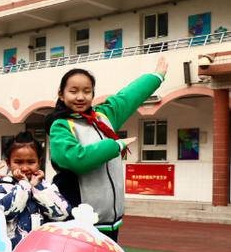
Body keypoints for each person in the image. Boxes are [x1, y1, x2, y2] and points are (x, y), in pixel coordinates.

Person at [45, 56, 167, 241]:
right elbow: (75, 159)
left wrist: (156, 77)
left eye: (87, 91)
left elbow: (127, 98)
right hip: (80, 219)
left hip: (111, 219)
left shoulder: (102, 117)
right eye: (73, 91)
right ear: (61, 94)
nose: (80, 96)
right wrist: (115, 145)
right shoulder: (60, 125)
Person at [0, 131, 70, 248]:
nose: (25, 167)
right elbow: (1, 214)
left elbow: (62, 214)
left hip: (41, 251)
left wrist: (37, 187)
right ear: (9, 163)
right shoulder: (1, 186)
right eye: (18, 162)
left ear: (39, 162)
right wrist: (24, 185)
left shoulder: (47, 187)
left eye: (31, 162)